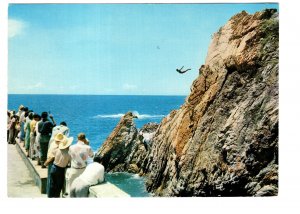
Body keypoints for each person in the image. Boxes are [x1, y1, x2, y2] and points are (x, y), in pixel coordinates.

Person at [44, 133, 65, 197]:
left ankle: (49, 195)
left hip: (51, 162)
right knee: (54, 183)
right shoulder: (57, 146)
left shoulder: (53, 143)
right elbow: (53, 157)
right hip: (52, 162)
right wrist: (46, 163)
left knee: (51, 182)